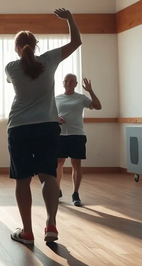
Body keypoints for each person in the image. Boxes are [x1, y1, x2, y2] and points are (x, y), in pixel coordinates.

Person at [6, 8, 81, 245]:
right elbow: (76, 41)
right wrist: (69, 19)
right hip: (47, 127)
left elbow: (16, 77)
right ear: (36, 45)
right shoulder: (49, 60)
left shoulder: (11, 68)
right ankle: (51, 225)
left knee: (23, 180)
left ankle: (27, 231)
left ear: (17, 48)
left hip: (19, 127)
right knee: (49, 176)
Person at [55, 74, 102, 206]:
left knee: (76, 164)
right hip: (60, 135)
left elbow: (98, 106)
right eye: (66, 81)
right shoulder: (56, 99)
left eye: (71, 81)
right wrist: (56, 118)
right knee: (59, 163)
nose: (68, 83)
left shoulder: (81, 98)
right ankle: (57, 189)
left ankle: (75, 193)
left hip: (77, 135)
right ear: (63, 83)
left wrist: (90, 91)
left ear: (76, 84)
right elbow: (49, 113)